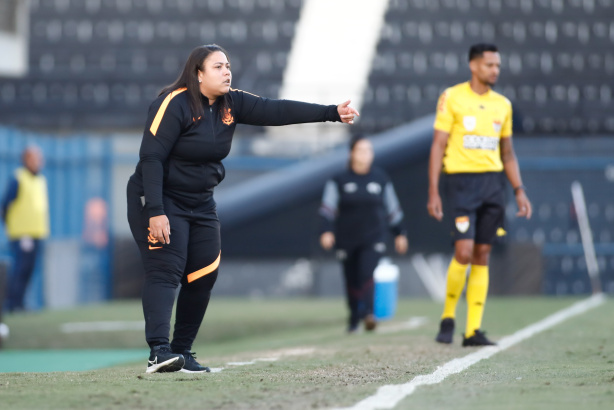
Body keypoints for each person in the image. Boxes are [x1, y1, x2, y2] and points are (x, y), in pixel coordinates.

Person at [127, 44, 359, 374]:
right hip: (160, 198)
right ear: (198, 73)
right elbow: (150, 158)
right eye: (218, 66)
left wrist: (331, 111)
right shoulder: (174, 103)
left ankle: (181, 352)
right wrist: (155, 211)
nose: (227, 71)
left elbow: (276, 111)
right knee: (166, 269)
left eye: (228, 66)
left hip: (200, 201)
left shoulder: (231, 102)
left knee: (204, 273)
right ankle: (158, 352)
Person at [427, 43, 532, 347]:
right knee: (463, 252)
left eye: (498, 66)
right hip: (461, 183)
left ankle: (472, 330)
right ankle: (448, 317)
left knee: (482, 254)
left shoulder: (503, 105)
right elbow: (438, 145)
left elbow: (508, 153)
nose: (495, 70)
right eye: (490, 65)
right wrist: (434, 190)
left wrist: (519, 190)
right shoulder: (452, 97)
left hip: (492, 186)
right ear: (474, 66)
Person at [319, 136, 408, 333]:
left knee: (366, 272)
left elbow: (392, 209)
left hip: (373, 237)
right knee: (351, 278)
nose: (365, 154)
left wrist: (400, 233)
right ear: (352, 153)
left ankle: (368, 313)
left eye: (368, 150)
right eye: (361, 150)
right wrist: (326, 231)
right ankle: (353, 317)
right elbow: (327, 209)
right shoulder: (339, 180)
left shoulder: (381, 179)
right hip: (346, 238)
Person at [1, 146, 49, 313]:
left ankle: (20, 302)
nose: (39, 161)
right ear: (27, 160)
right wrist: (12, 227)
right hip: (22, 234)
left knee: (28, 270)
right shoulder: (18, 178)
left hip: (36, 232)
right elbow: (5, 205)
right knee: (20, 269)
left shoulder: (40, 179)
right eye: (35, 158)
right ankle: (12, 304)